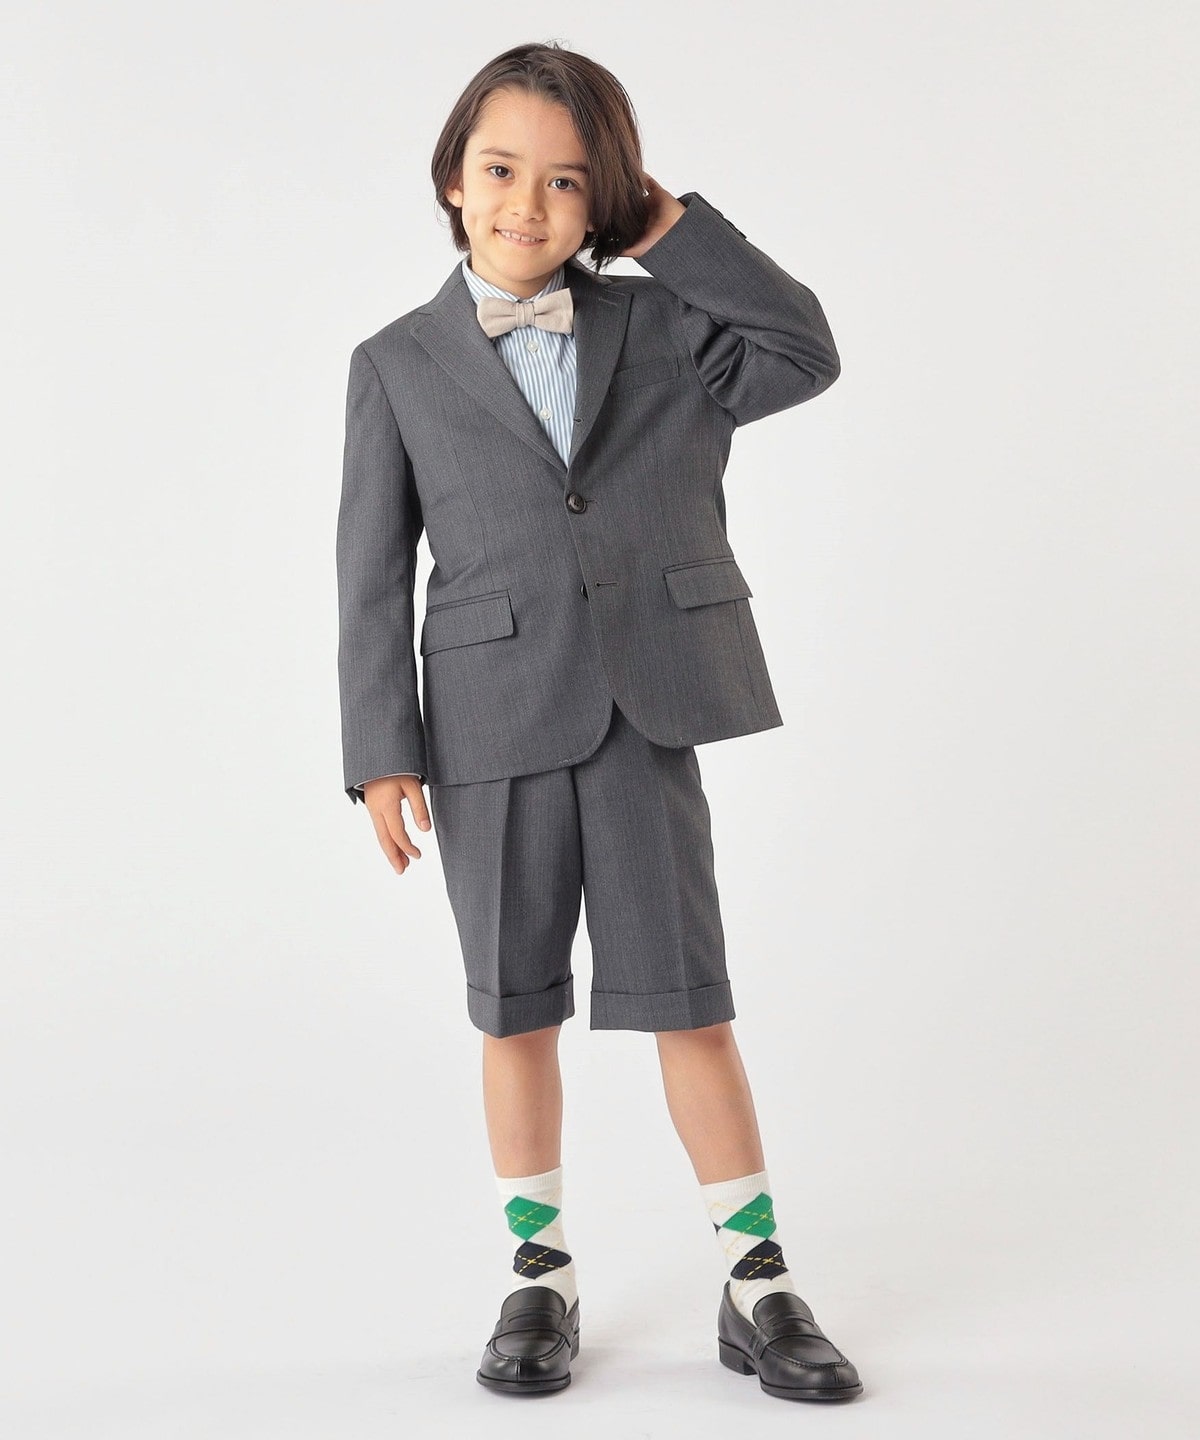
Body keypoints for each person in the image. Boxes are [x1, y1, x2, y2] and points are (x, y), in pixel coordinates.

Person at [335, 39, 862, 1402]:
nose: (529, 204)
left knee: (690, 1000)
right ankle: (540, 1276)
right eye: (502, 170)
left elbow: (802, 349)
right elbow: (371, 571)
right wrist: (382, 750)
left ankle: (758, 1279)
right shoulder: (394, 364)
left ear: (605, 201)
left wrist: (668, 230)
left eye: (569, 182)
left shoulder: (667, 329)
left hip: (648, 705)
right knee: (513, 1011)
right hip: (489, 721)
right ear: (453, 181)